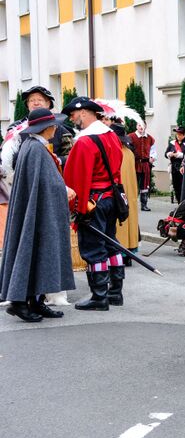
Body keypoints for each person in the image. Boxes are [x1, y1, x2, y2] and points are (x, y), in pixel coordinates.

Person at [1, 109, 76, 322]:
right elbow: (47, 183)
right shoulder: (35, 149)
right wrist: (63, 189)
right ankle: (19, 303)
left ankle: (36, 301)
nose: (56, 128)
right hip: (39, 212)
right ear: (45, 128)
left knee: (39, 252)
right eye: (53, 125)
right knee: (33, 251)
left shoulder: (34, 146)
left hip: (40, 211)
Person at [62, 96, 125, 311]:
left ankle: (99, 296)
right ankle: (116, 292)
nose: (72, 120)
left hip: (93, 201)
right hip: (110, 198)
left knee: (93, 248)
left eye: (73, 115)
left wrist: (77, 210)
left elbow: (77, 179)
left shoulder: (85, 141)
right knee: (111, 243)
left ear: (84, 112)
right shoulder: (112, 136)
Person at [98, 107, 140, 270]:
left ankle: (121, 253)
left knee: (120, 223)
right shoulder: (129, 152)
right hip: (130, 194)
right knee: (130, 221)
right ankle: (130, 251)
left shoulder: (116, 152)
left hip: (118, 193)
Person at [1, 85, 74, 177]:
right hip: (22, 177)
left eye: (40, 100)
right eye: (32, 100)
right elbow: (5, 157)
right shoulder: (15, 129)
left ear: (48, 104)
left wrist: (57, 160)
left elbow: (71, 155)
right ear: (27, 105)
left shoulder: (61, 129)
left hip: (51, 178)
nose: (36, 103)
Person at [128, 121, 156, 211]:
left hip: (145, 164)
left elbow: (153, 150)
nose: (141, 127)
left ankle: (144, 204)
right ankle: (131, 204)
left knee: (145, 184)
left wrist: (152, 157)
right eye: (139, 125)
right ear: (136, 126)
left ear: (145, 127)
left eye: (143, 125)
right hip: (134, 164)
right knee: (133, 184)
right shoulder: (130, 137)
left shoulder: (150, 138)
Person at [165, 127, 185, 202]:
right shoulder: (172, 143)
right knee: (176, 186)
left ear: (184, 135)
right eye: (177, 134)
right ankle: (179, 202)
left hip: (183, 167)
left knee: (183, 186)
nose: (178, 136)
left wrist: (179, 155)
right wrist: (169, 154)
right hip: (174, 168)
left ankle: (182, 202)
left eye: (180, 134)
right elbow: (165, 154)